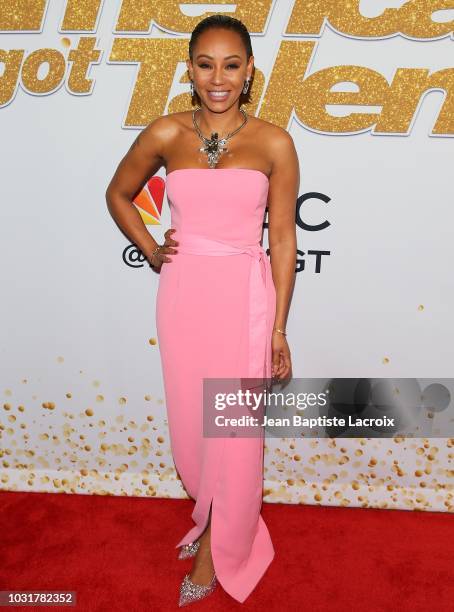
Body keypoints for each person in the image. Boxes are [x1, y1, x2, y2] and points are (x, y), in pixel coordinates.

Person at [106, 14, 299, 607]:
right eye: (207, 63)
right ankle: (212, 512)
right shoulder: (165, 134)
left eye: (232, 64)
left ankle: (222, 545)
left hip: (245, 298)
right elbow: (118, 193)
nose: (219, 78)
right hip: (185, 296)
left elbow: (285, 240)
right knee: (193, 428)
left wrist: (279, 328)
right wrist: (150, 247)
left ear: (250, 73)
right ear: (190, 69)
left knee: (234, 428)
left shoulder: (274, 142)